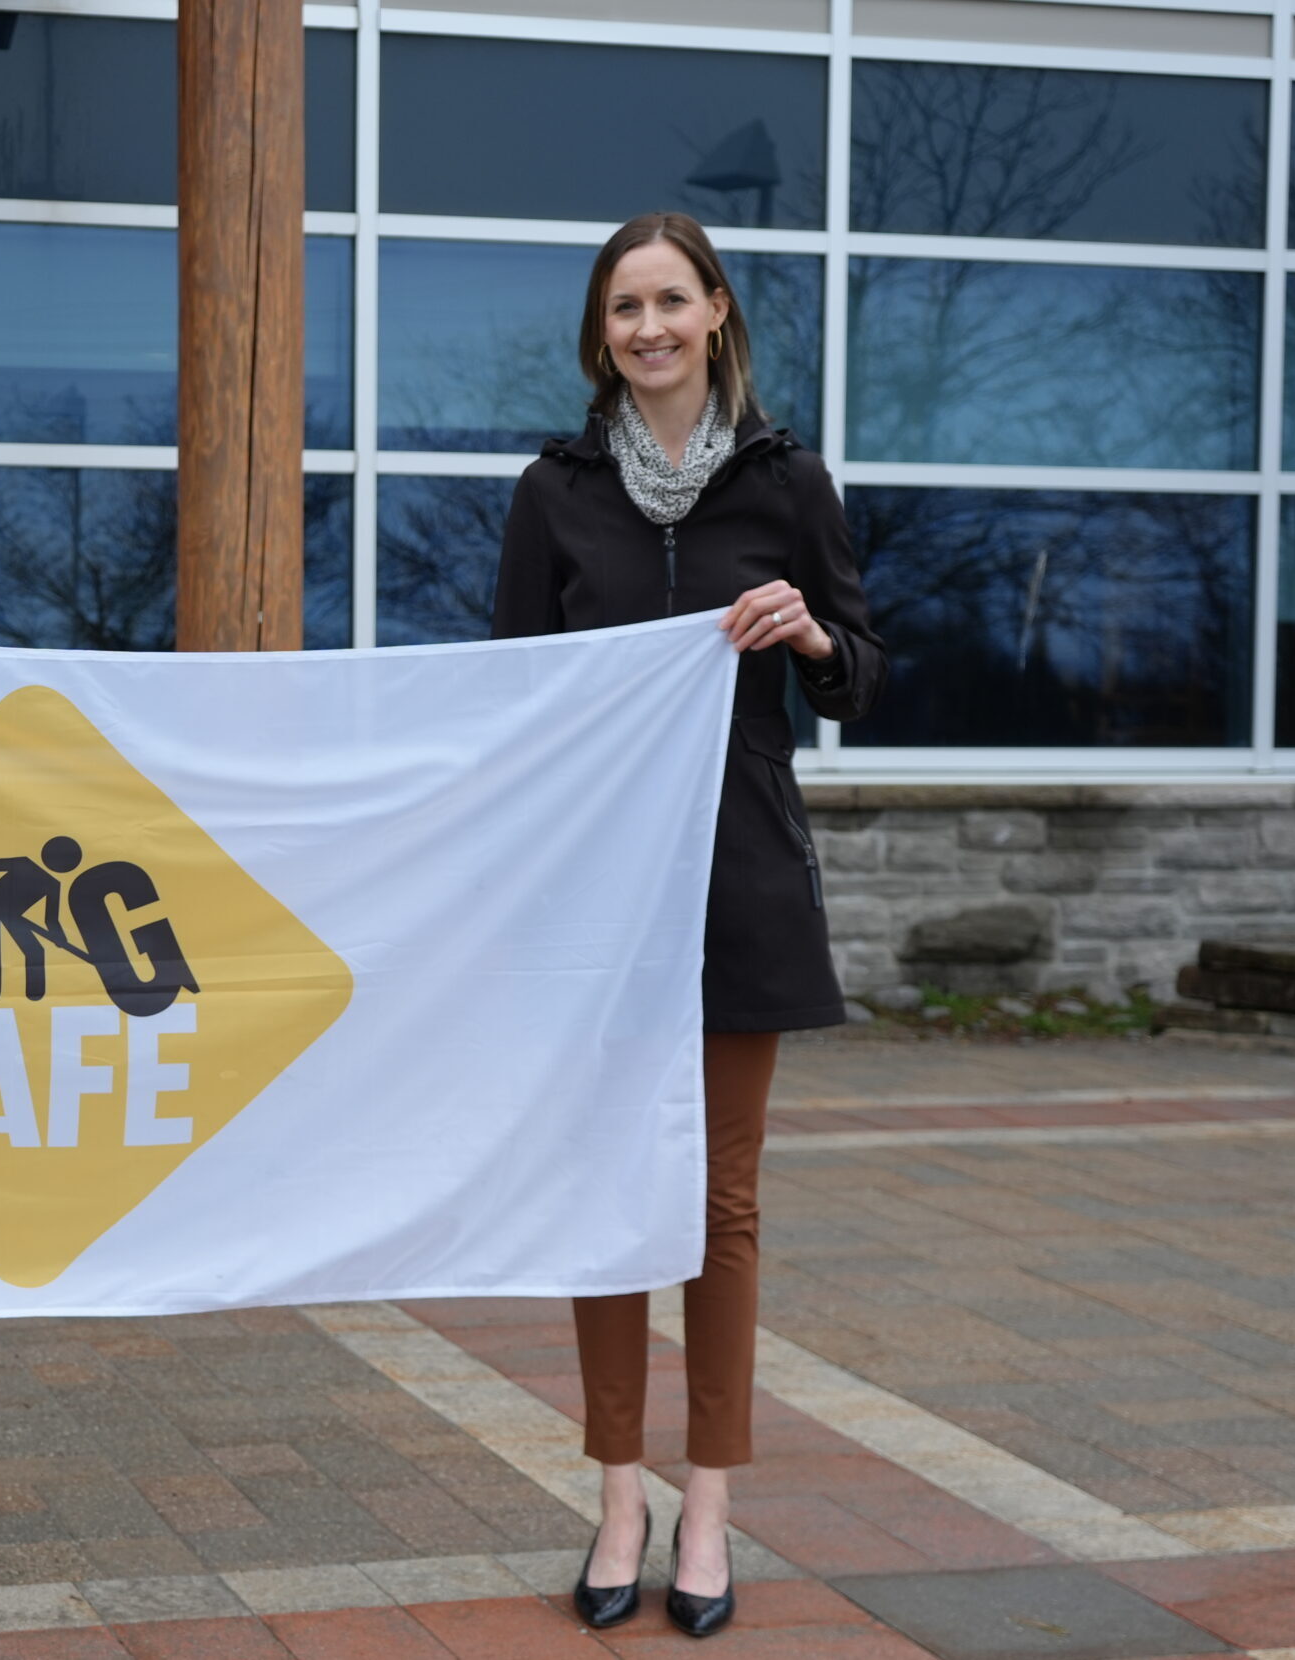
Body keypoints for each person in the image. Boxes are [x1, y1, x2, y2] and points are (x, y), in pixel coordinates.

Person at [489, 211, 885, 1639]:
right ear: (602, 336)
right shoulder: (555, 491)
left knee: (720, 1206)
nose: (647, 328)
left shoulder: (791, 483)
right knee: (609, 1201)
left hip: (741, 884)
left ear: (715, 311)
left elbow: (859, 676)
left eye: (670, 301)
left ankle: (711, 1504)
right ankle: (617, 1491)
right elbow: (512, 700)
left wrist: (815, 640)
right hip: (597, 892)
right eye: (622, 309)